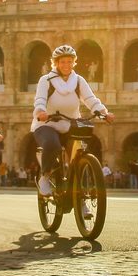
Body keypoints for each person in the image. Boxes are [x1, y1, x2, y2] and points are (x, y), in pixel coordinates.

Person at [31, 45, 115, 198]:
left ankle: (80, 199)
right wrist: (41, 111)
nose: (66, 65)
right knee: (53, 145)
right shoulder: (46, 80)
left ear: (74, 63)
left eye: (70, 61)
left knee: (78, 156)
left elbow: (90, 99)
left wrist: (104, 112)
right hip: (46, 125)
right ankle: (45, 177)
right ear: (55, 63)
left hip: (70, 124)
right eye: (62, 62)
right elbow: (40, 99)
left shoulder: (78, 80)